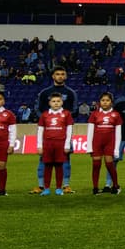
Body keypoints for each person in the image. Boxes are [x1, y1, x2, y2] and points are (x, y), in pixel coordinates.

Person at [32, 65, 77, 195]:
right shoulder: (45, 92)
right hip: (48, 132)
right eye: (57, 74)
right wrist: (47, 119)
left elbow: (75, 110)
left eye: (62, 74)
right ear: (53, 76)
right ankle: (41, 186)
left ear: (65, 76)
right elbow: (38, 109)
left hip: (63, 132)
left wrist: (62, 117)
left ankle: (65, 185)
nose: (60, 76)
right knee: (43, 160)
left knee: (66, 159)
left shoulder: (70, 93)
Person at [37, 94, 74, 196]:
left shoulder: (66, 114)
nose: (56, 103)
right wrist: (39, 145)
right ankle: (46, 189)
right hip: (48, 144)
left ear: (62, 102)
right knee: (47, 166)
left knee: (59, 166)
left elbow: (69, 130)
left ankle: (58, 188)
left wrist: (67, 145)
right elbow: (40, 130)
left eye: (58, 101)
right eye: (53, 101)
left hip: (60, 143)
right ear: (49, 103)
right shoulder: (45, 115)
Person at [86, 91, 122, 195]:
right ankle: (95, 188)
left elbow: (118, 133)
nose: (105, 102)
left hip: (109, 143)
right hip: (96, 143)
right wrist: (89, 147)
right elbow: (90, 131)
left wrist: (116, 149)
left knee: (109, 164)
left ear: (111, 102)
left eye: (107, 100)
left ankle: (115, 186)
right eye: (103, 100)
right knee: (96, 165)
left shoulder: (116, 115)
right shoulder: (95, 114)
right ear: (99, 102)